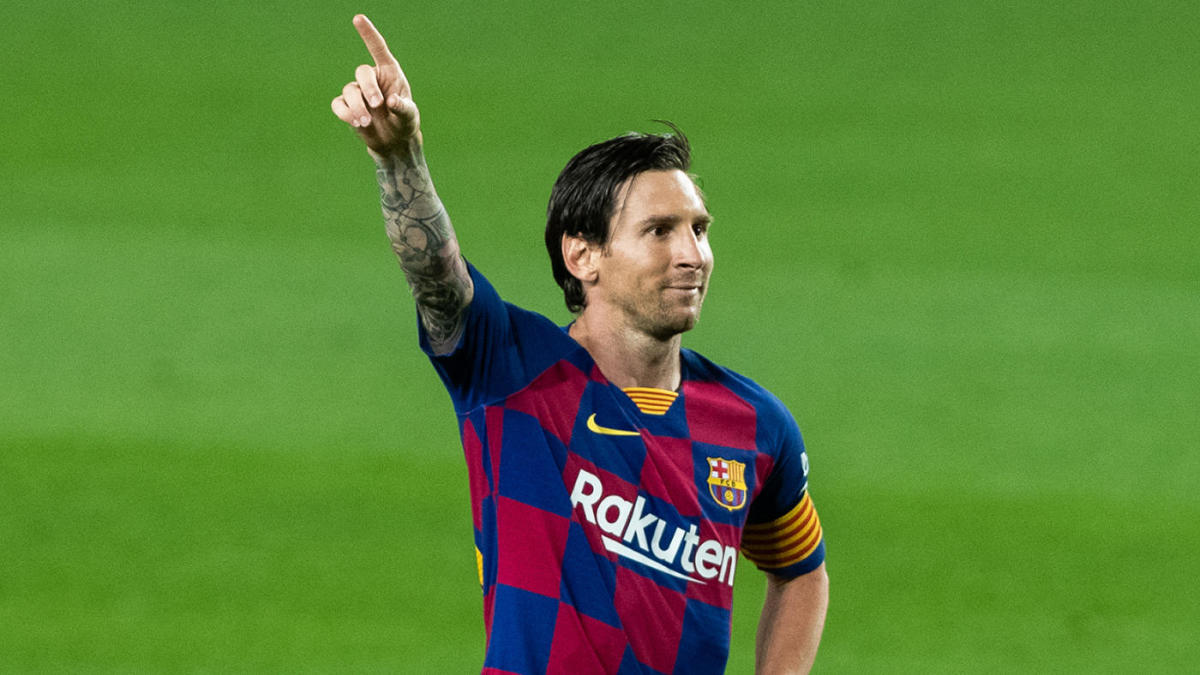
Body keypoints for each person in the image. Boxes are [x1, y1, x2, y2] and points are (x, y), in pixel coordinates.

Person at [331, 14, 829, 674]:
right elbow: (434, 273)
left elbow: (801, 571)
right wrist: (400, 158)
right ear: (583, 255)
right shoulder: (508, 367)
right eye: (659, 231)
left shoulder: (753, 424)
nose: (692, 255)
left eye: (699, 229)